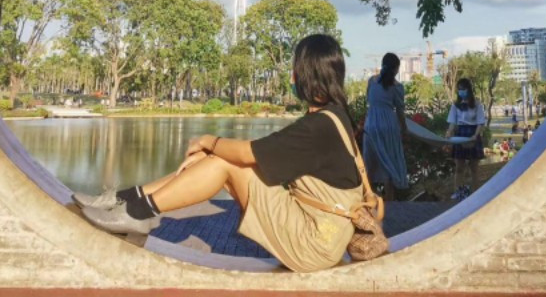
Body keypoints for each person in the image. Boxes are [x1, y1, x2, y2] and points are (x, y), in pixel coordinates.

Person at [73, 34, 365, 273]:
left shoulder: (320, 126)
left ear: (305, 74)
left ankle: (138, 212)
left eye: (295, 69)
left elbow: (249, 153)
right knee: (219, 160)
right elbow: (264, 152)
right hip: (319, 233)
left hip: (314, 243)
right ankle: (127, 200)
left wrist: (208, 141)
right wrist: (212, 152)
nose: (292, 75)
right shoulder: (333, 117)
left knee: (225, 162)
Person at [361, 53, 409, 201]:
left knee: (369, 164)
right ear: (396, 69)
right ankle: (390, 203)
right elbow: (400, 111)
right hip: (388, 125)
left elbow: (369, 100)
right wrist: (404, 129)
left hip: (371, 124)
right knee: (389, 163)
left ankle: (369, 201)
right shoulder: (397, 87)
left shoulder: (372, 81)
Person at [445, 77, 486, 199]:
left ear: (469, 89)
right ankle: (458, 192)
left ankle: (476, 194)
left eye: (463, 89)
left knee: (474, 168)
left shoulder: (477, 104)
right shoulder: (455, 105)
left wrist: (475, 135)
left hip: (473, 134)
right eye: (459, 89)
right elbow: (452, 123)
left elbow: (480, 122)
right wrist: (449, 132)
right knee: (459, 167)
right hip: (460, 135)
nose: (461, 91)